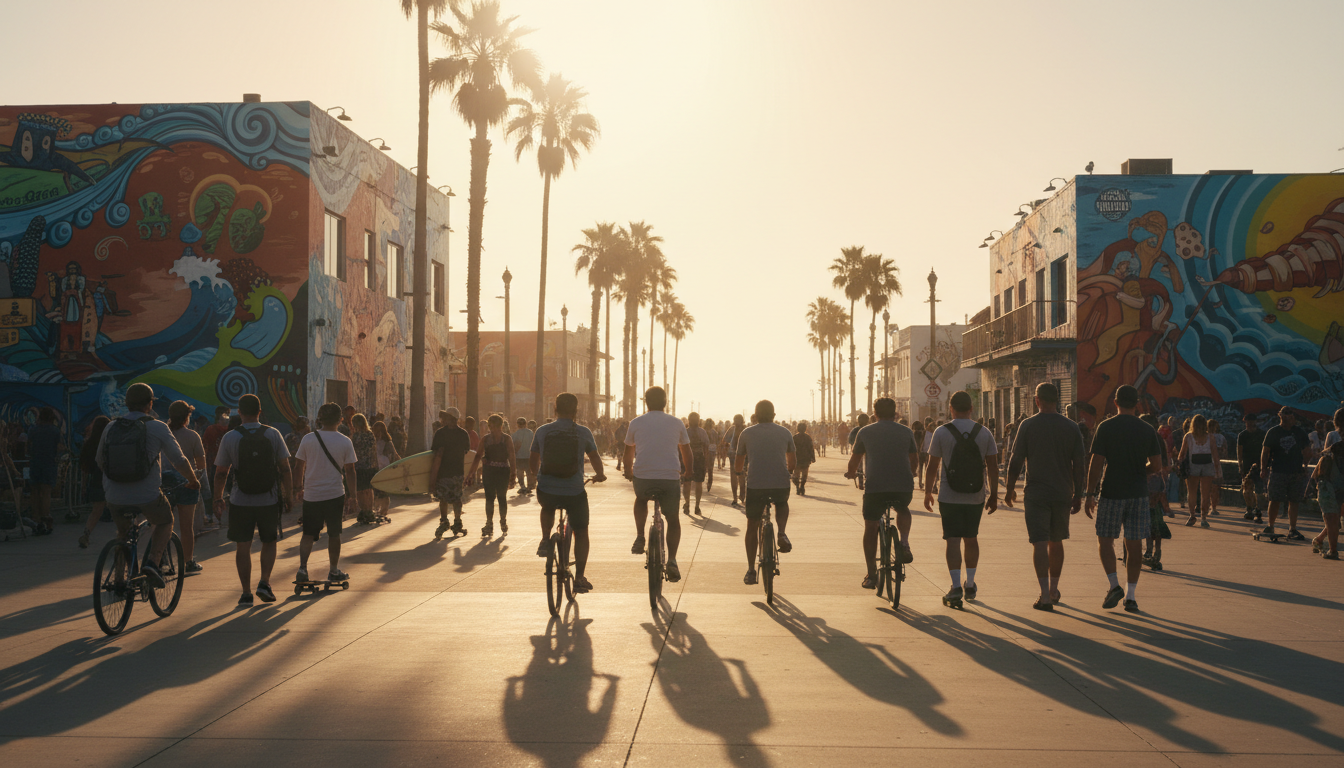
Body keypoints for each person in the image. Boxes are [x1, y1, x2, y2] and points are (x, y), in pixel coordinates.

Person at [98, 383, 200, 589]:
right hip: (147, 495)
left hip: (114, 496)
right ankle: (152, 563)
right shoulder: (157, 426)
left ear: (126, 404)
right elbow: (179, 460)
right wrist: (193, 480)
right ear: (150, 404)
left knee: (123, 534)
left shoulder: (111, 426)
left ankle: (119, 579)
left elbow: (100, 460)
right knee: (165, 521)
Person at [1003, 383, 1085, 612]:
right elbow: (1079, 464)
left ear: (1036, 400)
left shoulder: (1028, 425)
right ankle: (1054, 589)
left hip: (1036, 493)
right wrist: (1079, 493)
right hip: (1062, 493)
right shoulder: (1071, 427)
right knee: (1056, 541)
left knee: (1039, 542)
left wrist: (1009, 489)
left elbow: (1016, 459)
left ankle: (1044, 594)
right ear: (1057, 400)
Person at [1084, 385, 1163, 614]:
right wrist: (1139, 470)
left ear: (1116, 402)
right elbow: (1157, 465)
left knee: (1105, 540)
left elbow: (1096, 462)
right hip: (1138, 493)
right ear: (1137, 404)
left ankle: (1113, 585)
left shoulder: (1106, 427)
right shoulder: (1147, 429)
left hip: (1112, 492)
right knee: (1134, 542)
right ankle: (1131, 596)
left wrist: (1089, 493)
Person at [214, 393, 292, 604]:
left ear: (239, 412)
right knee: (269, 541)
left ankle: (246, 592)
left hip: (240, 500)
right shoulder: (273, 434)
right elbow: (285, 468)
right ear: (260, 412)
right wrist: (289, 495)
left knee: (243, 546)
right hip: (269, 499)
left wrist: (217, 498)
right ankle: (265, 582)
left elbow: (221, 472)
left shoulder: (230, 437)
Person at [923, 390, 998, 608]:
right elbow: (993, 467)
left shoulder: (941, 432)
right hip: (976, 496)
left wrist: (928, 491)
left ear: (950, 408)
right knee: (971, 538)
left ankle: (955, 586)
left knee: (953, 540)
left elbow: (932, 466)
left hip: (949, 496)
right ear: (971, 408)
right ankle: (971, 583)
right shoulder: (984, 432)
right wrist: (993, 494)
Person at [532, 393, 607, 593]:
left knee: (547, 505)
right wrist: (600, 474)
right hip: (574, 491)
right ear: (576, 411)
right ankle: (580, 577)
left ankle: (545, 539)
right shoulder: (583, 432)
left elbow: (533, 458)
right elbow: (594, 456)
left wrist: (535, 478)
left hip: (547, 488)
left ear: (555, 410)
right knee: (581, 532)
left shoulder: (542, 431)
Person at [846, 397, 917, 589]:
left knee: (871, 527)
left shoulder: (865, 431)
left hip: (876, 487)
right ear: (895, 413)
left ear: (874, 413)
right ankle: (903, 543)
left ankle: (871, 574)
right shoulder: (906, 431)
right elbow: (914, 458)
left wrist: (851, 473)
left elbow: (855, 458)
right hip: (902, 485)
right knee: (903, 508)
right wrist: (912, 473)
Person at [623, 387, 693, 582]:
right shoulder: (676, 423)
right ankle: (672, 560)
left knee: (641, 499)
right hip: (670, 478)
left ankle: (639, 536)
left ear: (646, 402)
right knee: (672, 519)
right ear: (665, 402)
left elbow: (628, 452)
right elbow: (687, 452)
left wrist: (628, 470)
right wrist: (688, 472)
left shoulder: (636, 423)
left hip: (643, 477)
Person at [292, 403, 357, 588]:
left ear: (319, 419)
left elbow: (298, 466)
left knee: (308, 533)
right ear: (340, 420)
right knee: (334, 533)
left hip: (312, 494)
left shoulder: (308, 439)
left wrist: (297, 488)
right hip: (335, 494)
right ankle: (334, 569)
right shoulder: (345, 441)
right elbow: (350, 470)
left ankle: (303, 569)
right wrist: (353, 495)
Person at [735, 399, 796, 585]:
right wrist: (789, 472)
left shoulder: (746, 433)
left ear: (755, 415)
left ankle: (751, 570)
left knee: (752, 526)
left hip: (755, 485)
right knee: (782, 503)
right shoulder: (785, 432)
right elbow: (792, 460)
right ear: (774, 415)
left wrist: (739, 473)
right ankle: (782, 533)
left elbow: (738, 463)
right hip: (779, 483)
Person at [1260, 406, 1312, 541]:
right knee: (1275, 499)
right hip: (1278, 470)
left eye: (1290, 414)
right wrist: (1263, 468)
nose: (1287, 416)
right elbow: (1265, 451)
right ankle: (1270, 525)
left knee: (1294, 501)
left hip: (1296, 471)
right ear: (1280, 415)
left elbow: (1307, 450)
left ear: (1293, 416)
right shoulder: (1273, 432)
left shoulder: (1299, 432)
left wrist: (1305, 466)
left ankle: (1292, 528)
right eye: (1284, 414)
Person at [168, 400, 206, 572]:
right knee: (186, 526)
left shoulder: (163, 433)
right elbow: (201, 463)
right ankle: (188, 561)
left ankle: (159, 560)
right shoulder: (192, 436)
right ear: (187, 417)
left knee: (161, 524)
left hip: (164, 483)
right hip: (187, 483)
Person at [466, 413, 515, 536]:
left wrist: (513, 474)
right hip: (491, 472)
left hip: (501, 472)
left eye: (495, 427)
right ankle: (490, 523)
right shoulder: (487, 439)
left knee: (501, 498)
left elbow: (512, 456)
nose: (493, 430)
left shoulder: (505, 439)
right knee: (490, 498)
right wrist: (471, 473)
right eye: (491, 427)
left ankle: (501, 521)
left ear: (500, 426)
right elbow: (478, 456)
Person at [429, 408, 472, 537]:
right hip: (457, 472)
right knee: (455, 498)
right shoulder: (463, 434)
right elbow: (466, 452)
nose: (443, 420)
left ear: (450, 418)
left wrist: (432, 478)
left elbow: (437, 455)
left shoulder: (440, 433)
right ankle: (456, 522)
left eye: (445, 417)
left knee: (445, 499)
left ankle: (445, 522)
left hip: (445, 472)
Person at [1139, 414, 1173, 569]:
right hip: (1157, 481)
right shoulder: (1159, 439)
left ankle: (1147, 552)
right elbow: (1164, 464)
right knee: (1155, 518)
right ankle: (1155, 553)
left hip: (1144, 481)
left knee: (1144, 519)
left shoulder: (1141, 437)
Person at [1310, 408, 1344, 558]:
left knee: (1332, 515)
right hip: (1336, 480)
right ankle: (1323, 541)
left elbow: (1325, 456)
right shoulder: (1334, 438)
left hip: (1333, 481)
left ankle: (1332, 549)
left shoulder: (1334, 438)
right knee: (1335, 515)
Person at [1177, 414, 1220, 528]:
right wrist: (1218, 471)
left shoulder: (1188, 436)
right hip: (1207, 465)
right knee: (1205, 493)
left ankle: (1192, 516)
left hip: (1193, 466)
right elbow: (1215, 455)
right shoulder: (1210, 437)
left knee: (1191, 493)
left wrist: (1179, 464)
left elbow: (1182, 454)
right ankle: (1204, 517)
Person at [76, 415, 110, 549]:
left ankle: (86, 533)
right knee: (117, 510)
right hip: (110, 480)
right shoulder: (109, 442)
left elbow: (84, 468)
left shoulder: (89, 443)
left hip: (96, 481)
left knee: (96, 511)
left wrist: (84, 486)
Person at [26, 407, 62, 535]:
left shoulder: (33, 429)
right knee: (46, 492)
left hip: (35, 462)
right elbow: (58, 447)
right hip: (49, 463)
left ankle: (35, 519)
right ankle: (45, 518)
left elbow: (28, 445)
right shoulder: (54, 431)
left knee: (34, 491)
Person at [1237, 412, 1267, 523]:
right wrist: (1240, 465)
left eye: (1251, 422)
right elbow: (1239, 451)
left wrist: (1265, 465)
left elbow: (1266, 450)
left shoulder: (1261, 434)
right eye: (1247, 422)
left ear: (1255, 422)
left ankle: (1258, 509)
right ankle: (1249, 508)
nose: (1249, 424)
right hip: (1246, 464)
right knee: (1247, 488)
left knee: (1259, 489)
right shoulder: (1242, 435)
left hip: (1259, 464)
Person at [371, 420, 400, 520]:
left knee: (382, 490)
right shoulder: (373, 440)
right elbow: (395, 455)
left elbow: (394, 454)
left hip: (382, 467)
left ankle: (382, 510)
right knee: (380, 489)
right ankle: (379, 509)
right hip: (379, 467)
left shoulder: (386, 441)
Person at [724, 414, 747, 507]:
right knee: (741, 476)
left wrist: (726, 450)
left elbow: (725, 441)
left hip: (734, 455)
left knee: (734, 477)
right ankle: (741, 496)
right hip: (742, 455)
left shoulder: (732, 429)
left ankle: (735, 498)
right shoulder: (745, 429)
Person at [203, 405, 230, 476]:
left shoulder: (210, 429)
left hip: (212, 463)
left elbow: (204, 447)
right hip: (228, 464)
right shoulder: (232, 430)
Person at [791, 421, 816, 496]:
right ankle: (802, 486)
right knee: (804, 475)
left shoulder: (795, 437)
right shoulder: (808, 437)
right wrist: (813, 457)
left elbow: (791, 449)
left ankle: (798, 487)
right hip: (806, 459)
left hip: (797, 459)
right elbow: (811, 448)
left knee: (796, 475)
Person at [512, 416, 535, 495]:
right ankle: (529, 486)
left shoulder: (515, 434)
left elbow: (513, 446)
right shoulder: (530, 433)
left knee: (520, 472)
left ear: (517, 424)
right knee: (529, 472)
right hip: (529, 455)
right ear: (525, 424)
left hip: (519, 456)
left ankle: (522, 487)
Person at [703, 418, 718, 492]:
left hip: (704, 450)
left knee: (704, 467)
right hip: (712, 451)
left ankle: (703, 481)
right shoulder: (714, 432)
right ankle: (709, 483)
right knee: (710, 469)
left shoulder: (703, 431)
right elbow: (717, 441)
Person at [912, 420, 927, 490]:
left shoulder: (914, 434)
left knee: (920, 469)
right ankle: (926, 482)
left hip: (918, 453)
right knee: (926, 468)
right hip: (925, 452)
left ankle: (920, 483)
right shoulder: (923, 433)